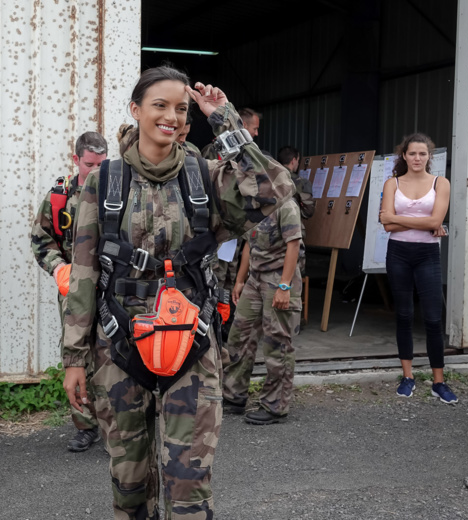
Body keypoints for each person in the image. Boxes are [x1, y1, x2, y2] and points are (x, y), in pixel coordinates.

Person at [62, 66, 293, 519]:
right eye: (159, 105)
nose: (171, 116)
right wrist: (74, 358)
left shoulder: (206, 177)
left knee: (188, 485)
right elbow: (84, 272)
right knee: (129, 484)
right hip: (120, 345)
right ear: (136, 110)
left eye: (181, 109)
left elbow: (274, 190)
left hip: (193, 343)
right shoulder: (103, 181)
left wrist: (223, 118)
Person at [31, 131, 108, 452]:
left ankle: (115, 426)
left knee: (110, 357)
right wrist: (58, 268)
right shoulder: (59, 197)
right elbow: (41, 240)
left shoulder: (117, 192)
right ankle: (85, 425)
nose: (97, 171)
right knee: (77, 359)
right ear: (76, 160)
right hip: (73, 292)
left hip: (110, 289)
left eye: (103, 164)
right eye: (90, 164)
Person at [379, 133, 456, 404]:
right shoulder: (392, 183)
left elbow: (436, 218)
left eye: (423, 154)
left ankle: (439, 381)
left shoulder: (440, 183)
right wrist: (425, 221)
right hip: (398, 253)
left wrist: (399, 218)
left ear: (429, 157)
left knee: (434, 319)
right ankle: (408, 377)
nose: (417, 158)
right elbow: (386, 226)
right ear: (404, 155)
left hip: (427, 255)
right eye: (412, 153)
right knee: (404, 315)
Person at [221, 198, 303, 425]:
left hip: (278, 279)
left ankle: (275, 405)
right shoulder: (254, 205)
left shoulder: (285, 205)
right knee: (240, 334)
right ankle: (233, 395)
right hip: (255, 280)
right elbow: (249, 243)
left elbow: (293, 244)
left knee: (277, 342)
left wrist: (284, 286)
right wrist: (239, 279)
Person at [277, 145, 315, 273]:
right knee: (294, 273)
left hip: (268, 231)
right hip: (292, 231)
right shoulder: (301, 182)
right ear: (294, 160)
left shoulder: (268, 179)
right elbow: (308, 212)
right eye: (298, 161)